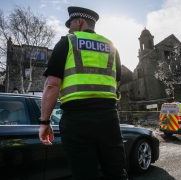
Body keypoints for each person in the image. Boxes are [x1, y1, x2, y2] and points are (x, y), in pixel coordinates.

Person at [38, 6, 128, 180]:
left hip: (77, 119)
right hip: (109, 118)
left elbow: (52, 85)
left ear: (80, 21)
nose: (69, 28)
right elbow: (116, 83)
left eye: (70, 24)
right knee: (116, 172)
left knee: (84, 174)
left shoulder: (68, 42)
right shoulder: (112, 47)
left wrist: (44, 122)